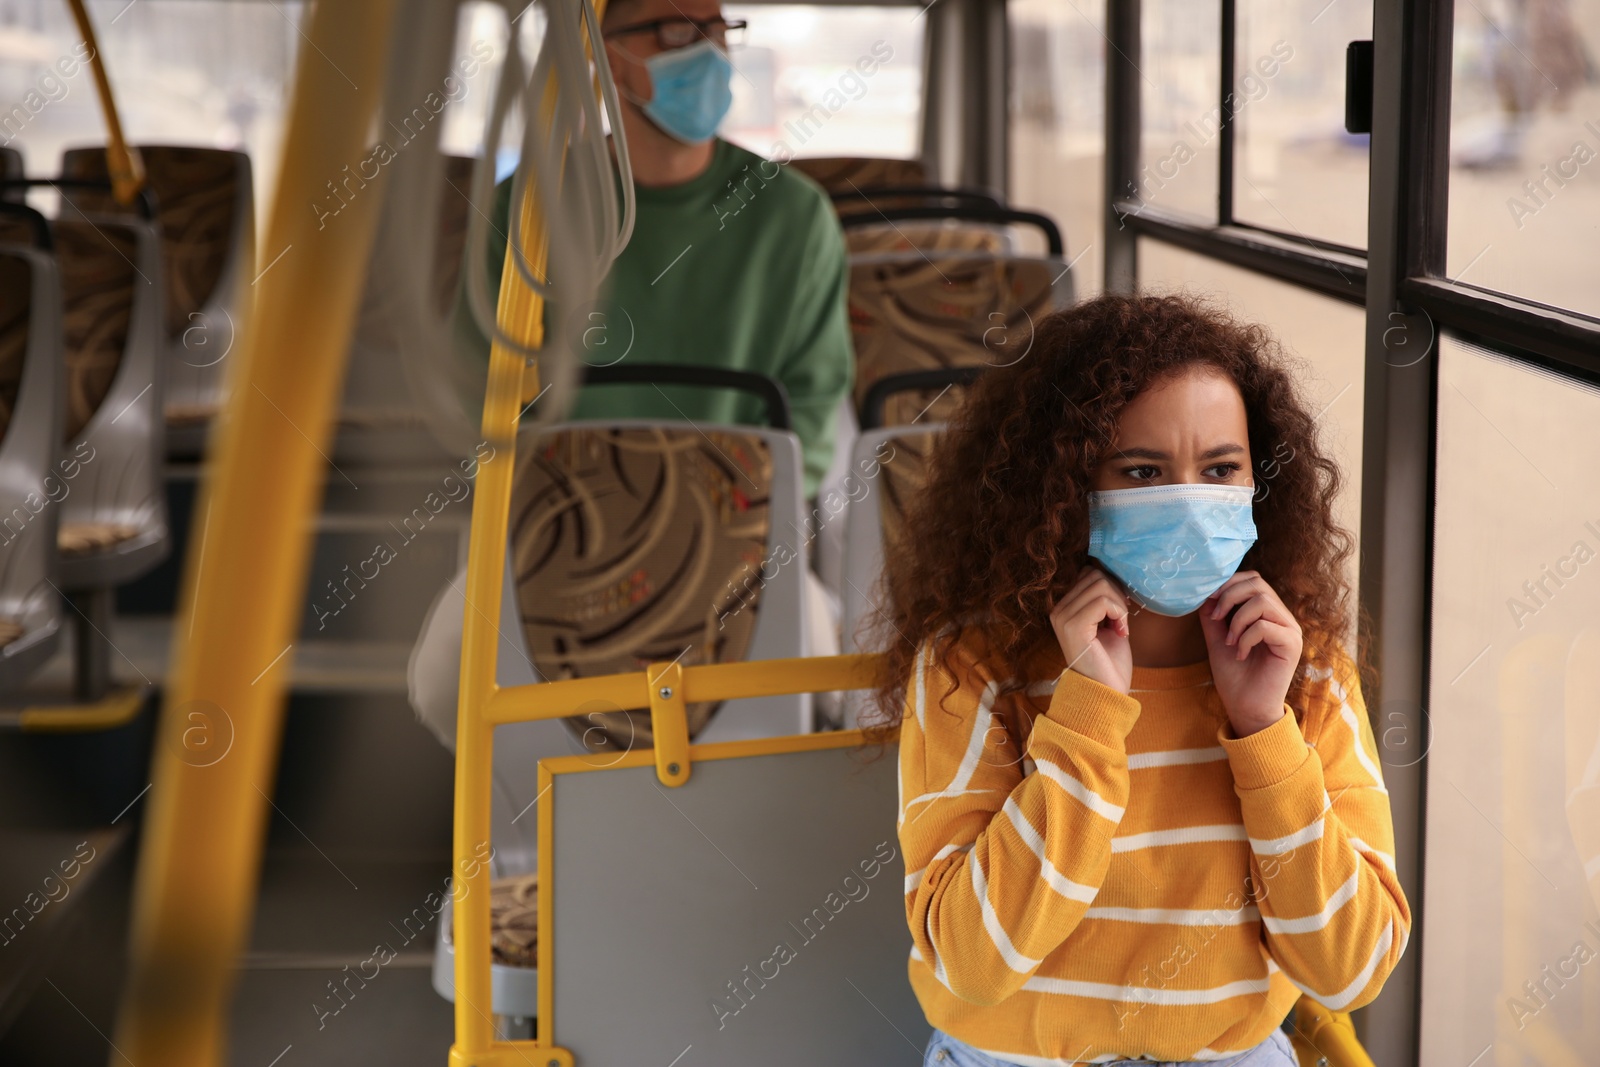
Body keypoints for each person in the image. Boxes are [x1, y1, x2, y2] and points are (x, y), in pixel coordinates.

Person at [865, 294, 1410, 1066]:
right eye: (1144, 472)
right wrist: (1089, 711)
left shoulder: (1304, 666)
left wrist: (1264, 733)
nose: (1189, 502)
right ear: (1064, 489)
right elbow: (974, 961)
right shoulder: (970, 665)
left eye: (1220, 468)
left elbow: (1355, 968)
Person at [458, 0, 854, 501]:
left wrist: (732, 516)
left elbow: (813, 411)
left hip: (740, 524)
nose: (709, 53)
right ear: (608, 56)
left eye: (718, 31)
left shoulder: (795, 217)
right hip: (558, 520)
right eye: (676, 33)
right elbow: (476, 387)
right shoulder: (531, 207)